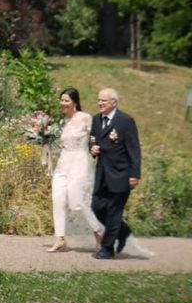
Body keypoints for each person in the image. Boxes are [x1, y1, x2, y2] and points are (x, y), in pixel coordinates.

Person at [48, 88, 104, 252]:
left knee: (77, 202)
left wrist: (95, 147)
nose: (63, 103)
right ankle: (59, 239)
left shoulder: (85, 118)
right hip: (63, 164)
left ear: (75, 102)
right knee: (57, 199)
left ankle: (99, 233)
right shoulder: (63, 121)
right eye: (61, 100)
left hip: (79, 163)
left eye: (66, 100)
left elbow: (96, 136)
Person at [90, 88, 141, 259]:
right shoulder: (96, 120)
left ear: (114, 103)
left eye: (104, 101)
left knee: (113, 211)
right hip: (102, 173)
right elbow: (92, 141)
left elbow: (134, 149)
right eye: (99, 100)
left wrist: (135, 174)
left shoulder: (125, 121)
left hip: (121, 174)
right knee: (96, 206)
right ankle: (122, 230)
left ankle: (107, 248)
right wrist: (93, 149)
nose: (100, 103)